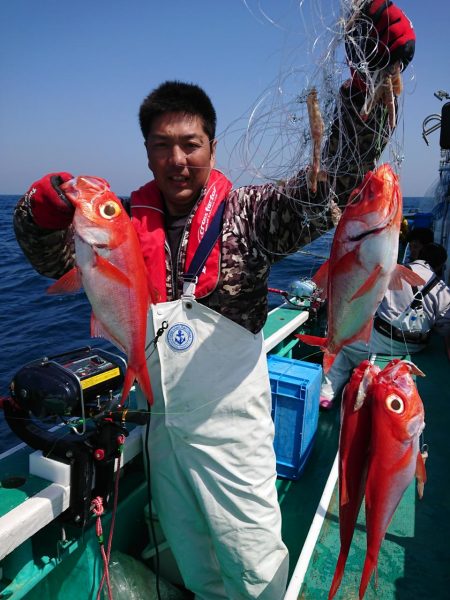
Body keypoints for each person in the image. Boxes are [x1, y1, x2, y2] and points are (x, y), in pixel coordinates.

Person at [13, 2, 416, 598]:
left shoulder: (252, 216)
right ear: (146, 150)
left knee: (254, 568)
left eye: (190, 144)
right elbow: (49, 260)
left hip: (231, 432)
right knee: (192, 559)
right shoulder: (118, 223)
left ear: (211, 145)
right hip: (162, 428)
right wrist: (40, 216)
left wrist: (377, 76)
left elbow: (335, 182)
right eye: (162, 145)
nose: (177, 160)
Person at [320, 243, 450, 409]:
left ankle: (326, 394)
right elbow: (444, 327)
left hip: (381, 338)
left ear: (417, 255)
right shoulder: (444, 290)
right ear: (440, 265)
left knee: (343, 349)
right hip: (415, 347)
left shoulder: (392, 272)